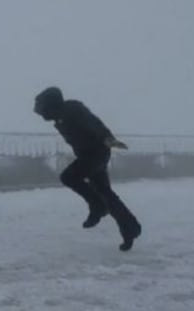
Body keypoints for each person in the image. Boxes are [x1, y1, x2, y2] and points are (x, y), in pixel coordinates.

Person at [34, 86, 141, 251]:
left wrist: (108, 138)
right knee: (106, 193)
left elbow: (95, 123)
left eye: (42, 111)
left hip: (96, 153)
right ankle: (130, 228)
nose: (41, 116)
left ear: (51, 105)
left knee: (69, 177)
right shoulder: (61, 117)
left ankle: (97, 206)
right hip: (88, 155)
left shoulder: (72, 110)